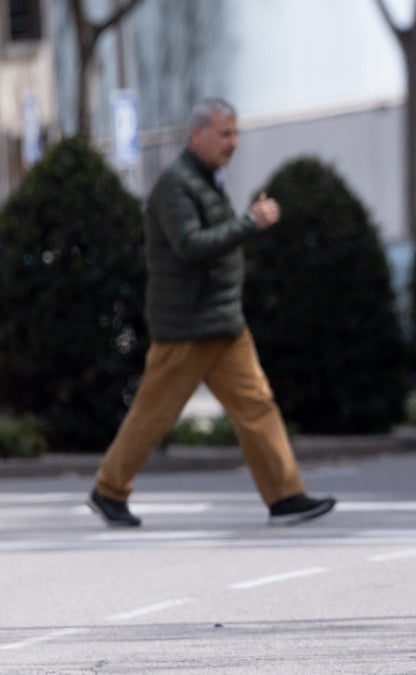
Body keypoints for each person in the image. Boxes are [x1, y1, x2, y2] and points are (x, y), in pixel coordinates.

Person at [87, 98, 336, 529]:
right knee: (154, 414)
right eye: (225, 133)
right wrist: (250, 223)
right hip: (187, 327)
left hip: (221, 323)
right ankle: (108, 490)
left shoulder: (204, 181)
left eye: (235, 133)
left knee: (257, 405)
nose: (233, 143)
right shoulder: (176, 186)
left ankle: (285, 496)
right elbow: (191, 246)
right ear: (197, 134)